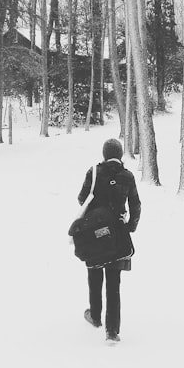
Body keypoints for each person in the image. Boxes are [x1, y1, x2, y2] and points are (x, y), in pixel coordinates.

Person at [77, 138, 141, 343]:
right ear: (120, 154)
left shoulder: (94, 172)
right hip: (118, 234)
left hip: (96, 233)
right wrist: (130, 225)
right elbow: (136, 205)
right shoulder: (127, 176)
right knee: (114, 282)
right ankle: (112, 331)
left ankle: (95, 316)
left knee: (94, 275)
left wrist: (95, 214)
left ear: (104, 154)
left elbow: (81, 198)